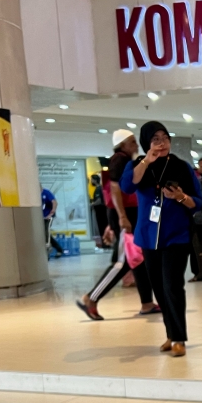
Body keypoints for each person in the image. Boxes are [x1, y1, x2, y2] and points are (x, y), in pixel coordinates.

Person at [120, 121, 202, 358]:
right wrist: (147, 160)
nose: (162, 143)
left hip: (177, 236)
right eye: (155, 139)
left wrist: (180, 197)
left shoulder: (183, 167)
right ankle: (170, 334)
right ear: (147, 143)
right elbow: (127, 186)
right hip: (148, 238)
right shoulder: (137, 166)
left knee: (172, 286)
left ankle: (179, 338)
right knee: (159, 288)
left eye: (165, 138)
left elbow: (198, 202)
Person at [76, 130, 158, 320]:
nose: (136, 145)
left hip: (128, 216)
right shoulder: (120, 160)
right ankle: (91, 298)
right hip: (126, 217)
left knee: (138, 259)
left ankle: (147, 303)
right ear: (122, 144)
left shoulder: (123, 160)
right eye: (132, 142)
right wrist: (121, 217)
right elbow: (114, 188)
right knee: (123, 262)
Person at [41, 188, 64, 257]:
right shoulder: (35, 195)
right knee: (45, 234)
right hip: (40, 217)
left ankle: (48, 251)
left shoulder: (46, 193)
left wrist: (52, 212)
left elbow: (54, 202)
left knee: (45, 233)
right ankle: (59, 249)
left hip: (48, 216)